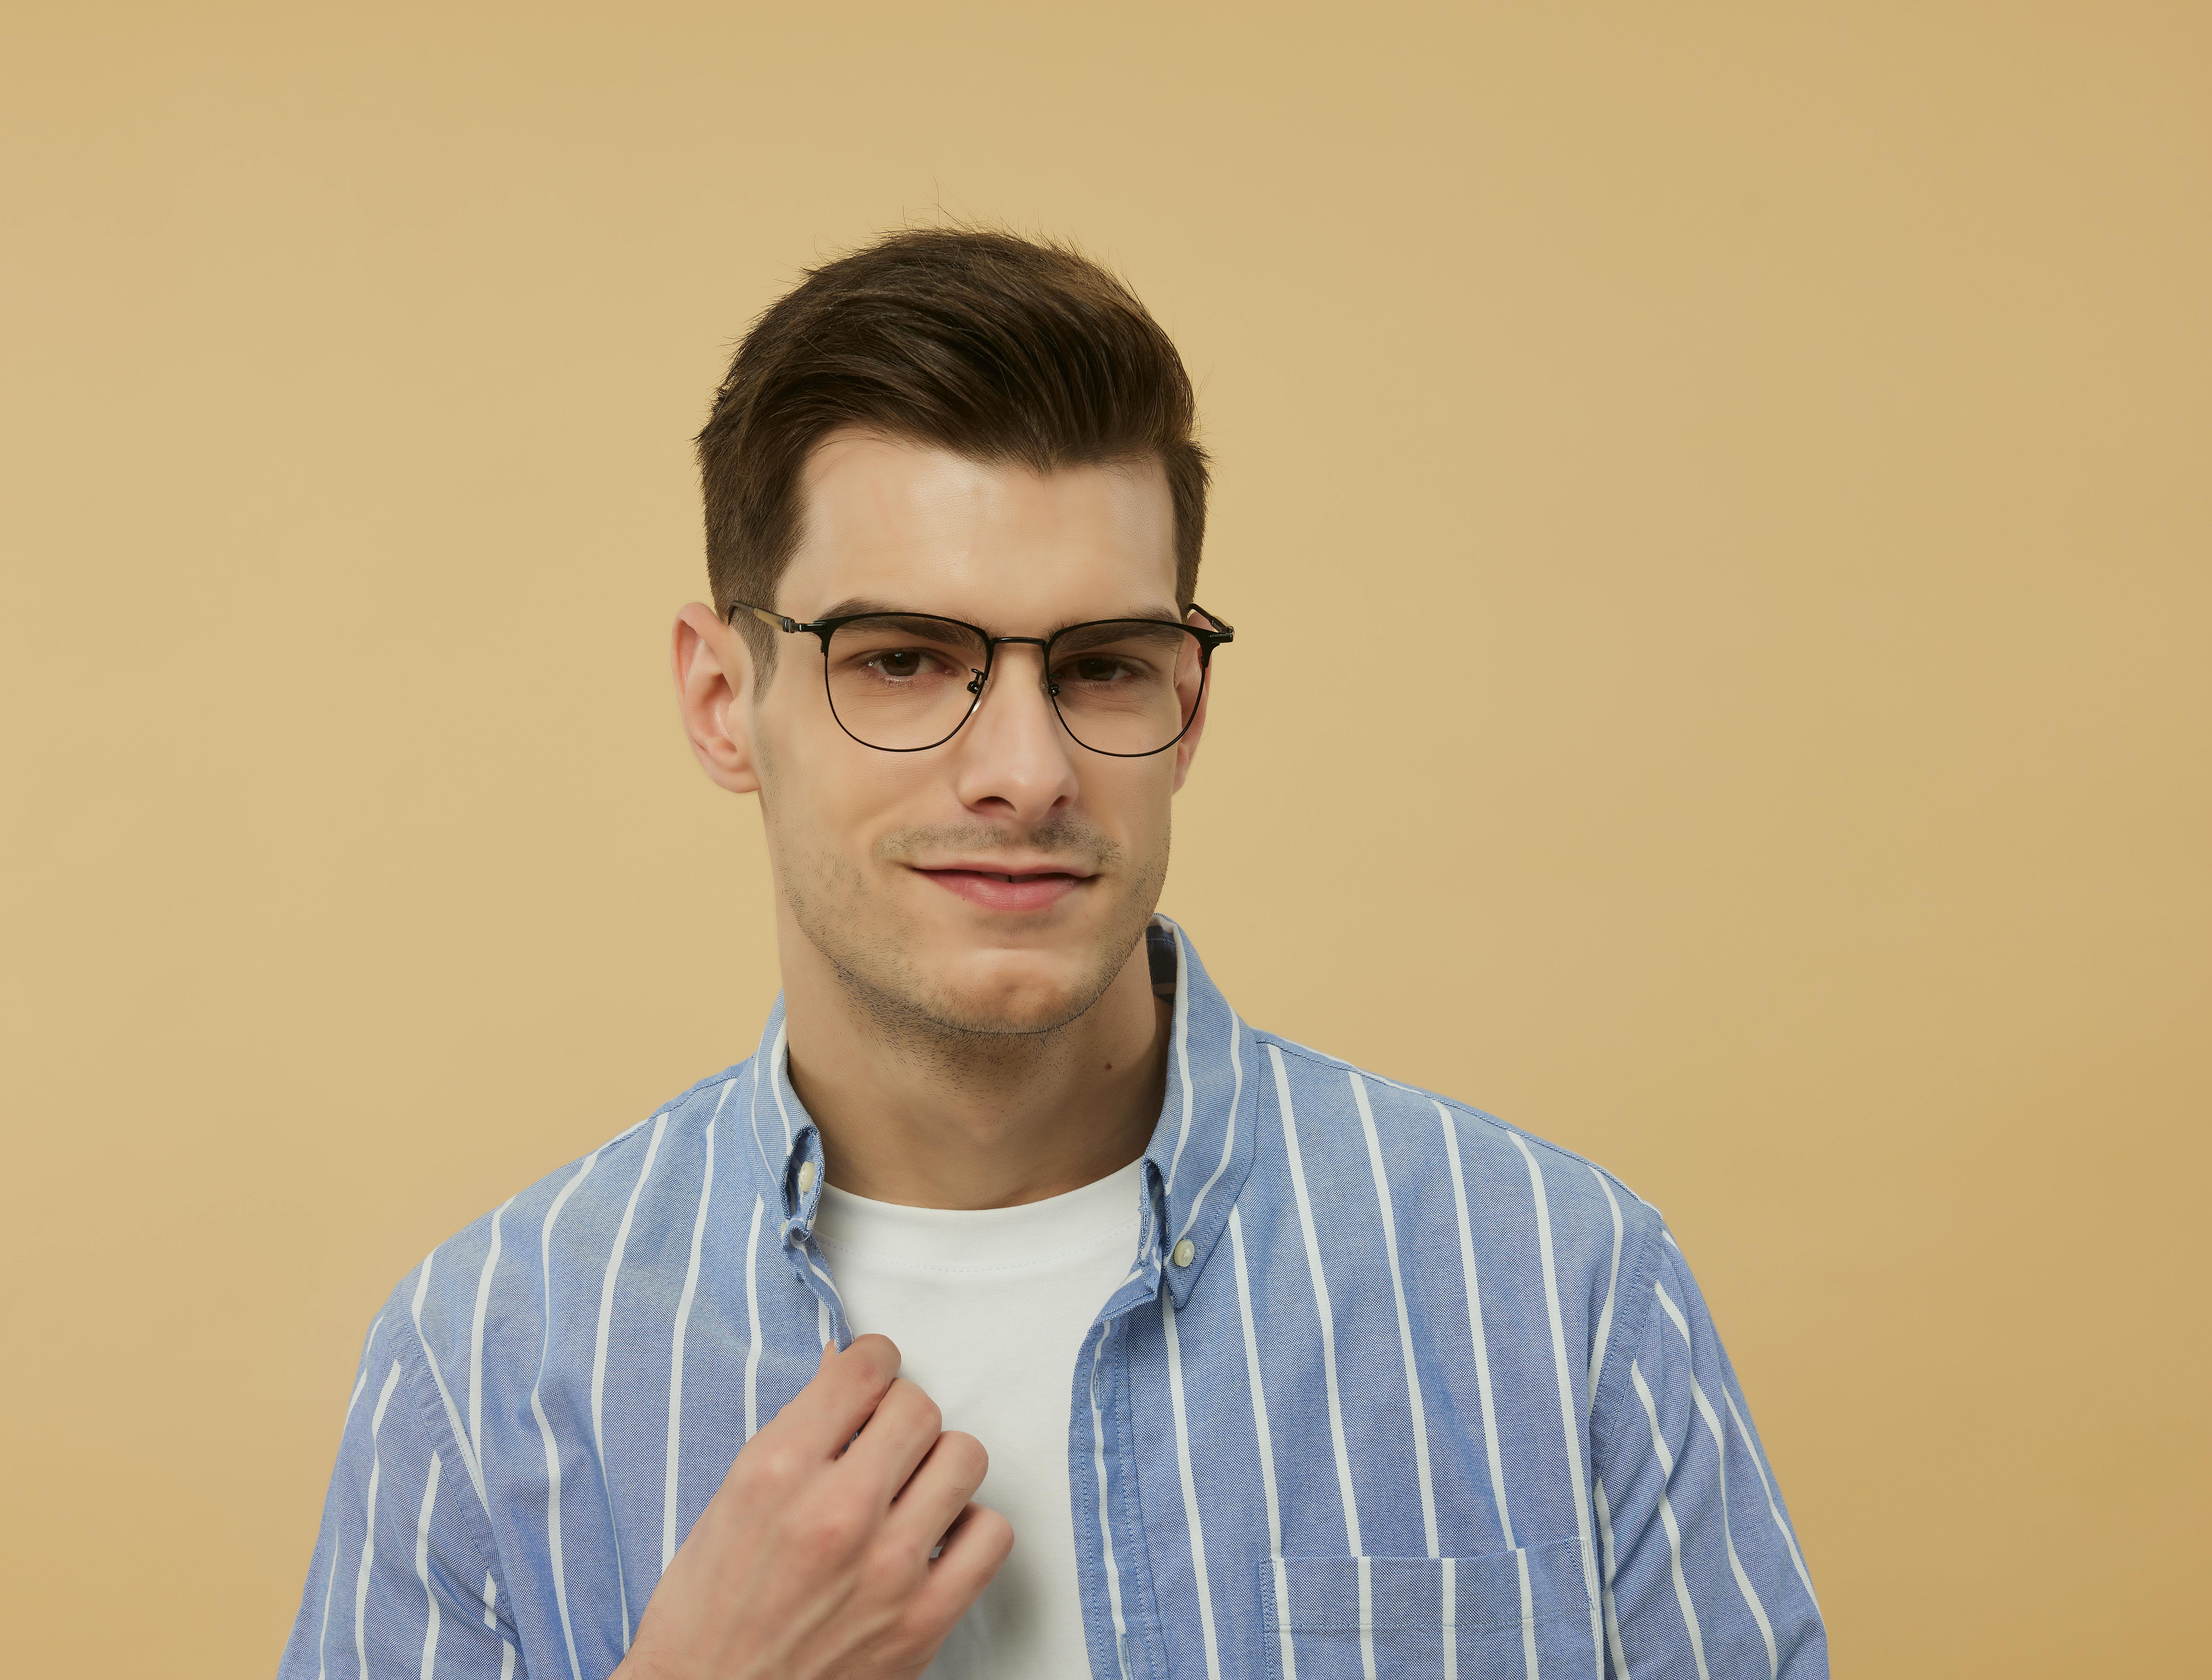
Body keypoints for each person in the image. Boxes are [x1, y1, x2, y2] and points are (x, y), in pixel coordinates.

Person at [277, 228, 1826, 1680]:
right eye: (900, 659)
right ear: (716, 698)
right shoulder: (485, 1366)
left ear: (1189, 708)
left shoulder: (1558, 1291)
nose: (1023, 768)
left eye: (1099, 666)